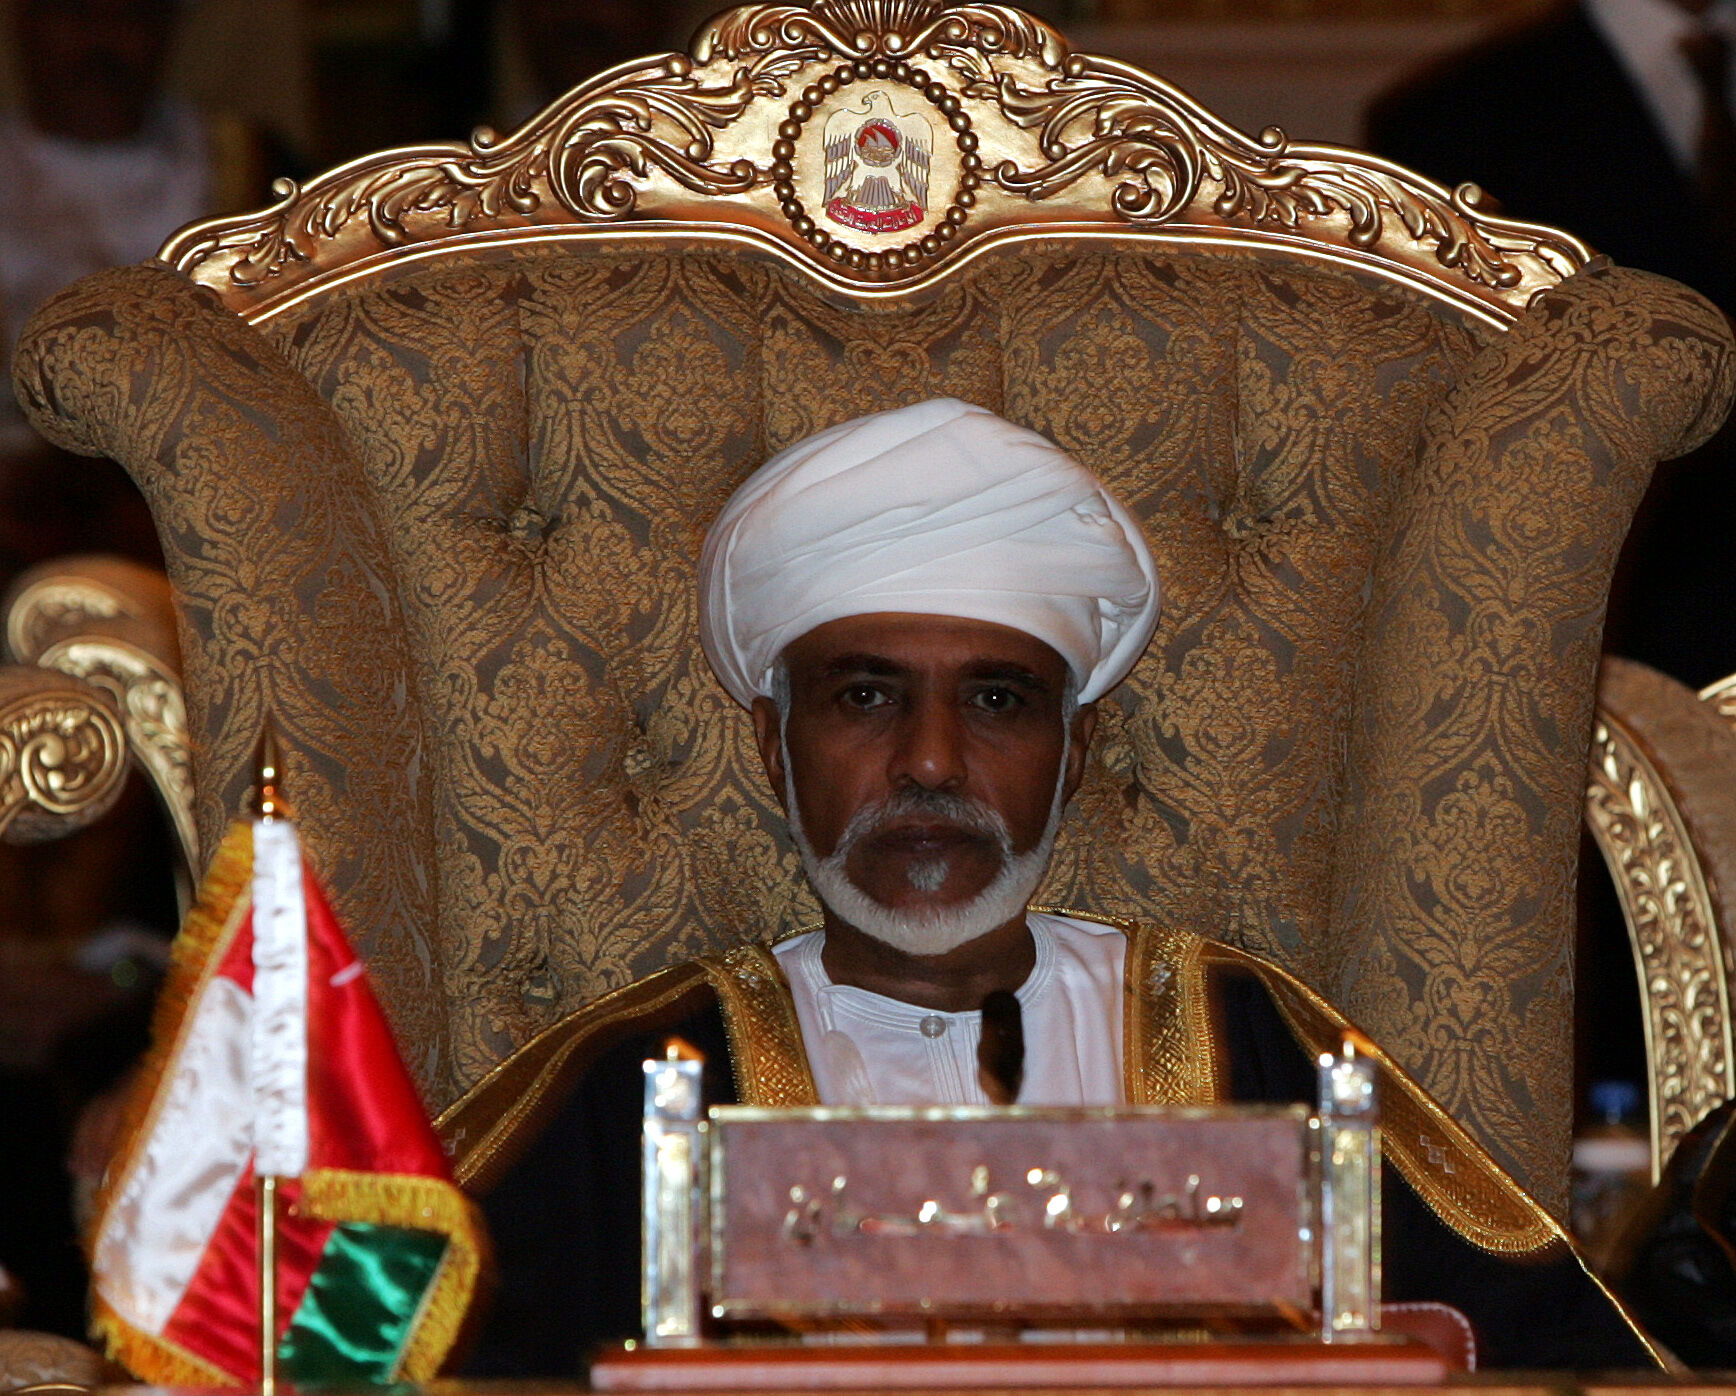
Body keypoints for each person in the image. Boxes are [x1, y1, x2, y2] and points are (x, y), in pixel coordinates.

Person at [447, 398, 1663, 1375]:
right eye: (865, 696)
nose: (930, 761)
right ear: (773, 746)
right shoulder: (630, 1094)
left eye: (996, 700)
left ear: (1075, 751)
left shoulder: (1240, 1040)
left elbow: (1544, 1356)